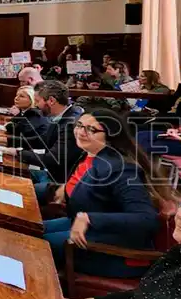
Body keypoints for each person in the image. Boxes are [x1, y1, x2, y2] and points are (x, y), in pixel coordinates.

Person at [42, 109, 169, 277]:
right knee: (32, 231)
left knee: (39, 246)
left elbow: (147, 218)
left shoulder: (121, 169)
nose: (81, 132)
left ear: (109, 136)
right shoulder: (94, 156)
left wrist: (89, 218)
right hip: (89, 228)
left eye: (92, 129)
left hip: (116, 248)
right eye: (79, 125)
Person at [3, 81, 83, 193]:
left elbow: (53, 159)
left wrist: (18, 153)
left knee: (12, 188)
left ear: (51, 101)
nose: (35, 105)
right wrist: (5, 140)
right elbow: (42, 140)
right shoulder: (61, 115)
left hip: (57, 182)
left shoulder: (71, 124)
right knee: (6, 174)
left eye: (37, 101)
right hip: (50, 173)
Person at [0, 86, 49, 150]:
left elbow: (15, 129)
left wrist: (2, 138)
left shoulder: (35, 114)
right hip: (21, 146)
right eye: (16, 95)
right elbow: (11, 124)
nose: (16, 98)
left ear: (32, 100)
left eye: (21, 96)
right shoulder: (24, 111)